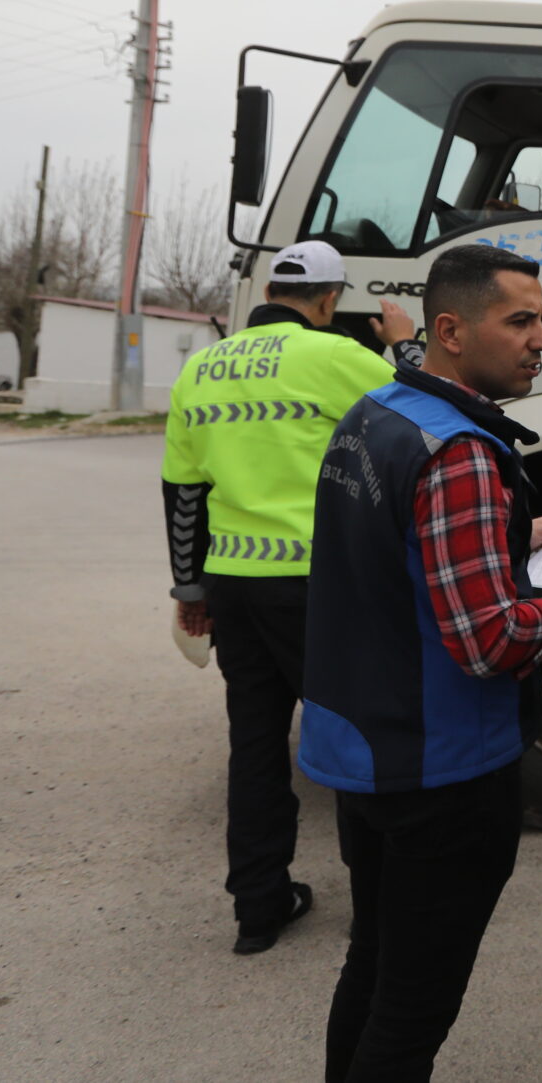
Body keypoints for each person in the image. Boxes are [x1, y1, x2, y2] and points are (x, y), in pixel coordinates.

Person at [298, 242, 542, 1081]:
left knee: (372, 964)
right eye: (520, 320)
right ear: (449, 329)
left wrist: (517, 533)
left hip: (369, 757)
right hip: (444, 774)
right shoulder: (463, 453)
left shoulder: (377, 413)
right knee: (412, 1008)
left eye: (540, 318)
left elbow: (392, 559)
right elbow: (489, 641)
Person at [160, 239, 420, 955]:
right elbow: (426, 405)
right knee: (354, 742)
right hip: (320, 590)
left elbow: (184, 489)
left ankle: (258, 904)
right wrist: (405, 343)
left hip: (233, 588)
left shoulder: (202, 367)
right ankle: (374, 904)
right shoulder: (334, 356)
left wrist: (190, 587)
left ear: (271, 288)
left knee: (255, 743)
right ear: (329, 300)